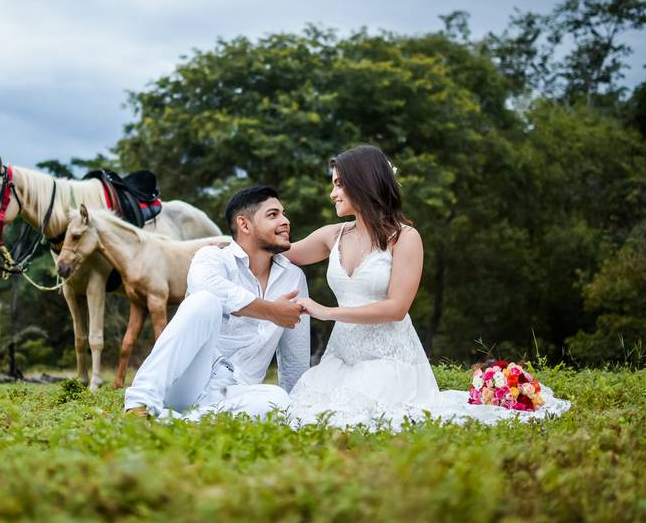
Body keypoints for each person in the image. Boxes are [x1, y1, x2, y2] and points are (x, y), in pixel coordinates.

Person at [284, 145, 570, 429]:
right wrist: (244, 237)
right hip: (341, 356)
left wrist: (325, 311)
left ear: (362, 183)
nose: (332, 193)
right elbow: (281, 253)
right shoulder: (332, 235)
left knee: (356, 415)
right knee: (307, 409)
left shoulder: (405, 238)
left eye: (338, 184)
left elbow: (396, 309)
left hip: (388, 359)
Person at [124, 185, 310, 420]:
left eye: (284, 214)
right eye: (273, 215)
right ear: (244, 225)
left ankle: (174, 422)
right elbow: (206, 287)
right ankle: (139, 404)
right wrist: (271, 311)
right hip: (187, 380)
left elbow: (295, 356)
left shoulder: (293, 277)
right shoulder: (213, 257)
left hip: (233, 392)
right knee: (204, 301)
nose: (285, 221)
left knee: (280, 400)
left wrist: (295, 409)